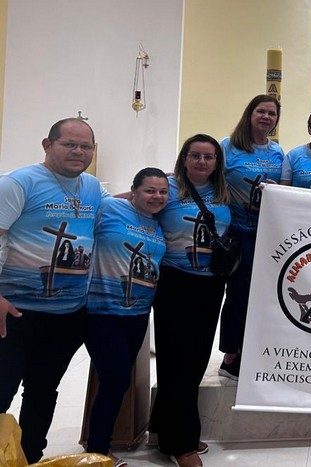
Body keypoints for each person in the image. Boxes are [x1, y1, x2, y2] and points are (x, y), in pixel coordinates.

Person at [0, 117, 104, 463]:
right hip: (15, 312)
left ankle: (30, 456)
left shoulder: (91, 187)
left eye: (85, 146)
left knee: (43, 391)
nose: (78, 152)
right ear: (47, 145)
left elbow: (119, 208)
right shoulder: (19, 183)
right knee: (1, 390)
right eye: (69, 144)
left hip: (67, 315)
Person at [151, 134, 231, 467]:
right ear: (184, 158)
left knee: (196, 360)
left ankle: (166, 429)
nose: (202, 162)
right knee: (176, 360)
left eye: (209, 157)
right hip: (174, 282)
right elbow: (135, 203)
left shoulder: (224, 191)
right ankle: (181, 443)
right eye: (195, 155)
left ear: (217, 162)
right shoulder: (167, 188)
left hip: (210, 285)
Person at [85, 168, 169, 466]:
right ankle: (97, 450)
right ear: (133, 191)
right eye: (149, 190)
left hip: (137, 314)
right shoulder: (111, 208)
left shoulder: (158, 224)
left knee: (117, 381)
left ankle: (100, 446)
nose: (157, 196)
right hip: (101, 311)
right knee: (116, 378)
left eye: (163, 191)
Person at [218, 95, 285, 380]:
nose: (266, 117)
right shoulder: (228, 147)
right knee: (238, 293)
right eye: (261, 111)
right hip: (238, 231)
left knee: (264, 294)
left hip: (268, 234)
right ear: (250, 114)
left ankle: (252, 350)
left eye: (272, 113)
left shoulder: (278, 152)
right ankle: (230, 355)